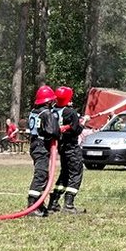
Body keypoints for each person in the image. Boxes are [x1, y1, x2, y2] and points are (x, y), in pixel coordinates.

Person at [47, 86, 85, 214]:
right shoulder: (71, 112)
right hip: (72, 148)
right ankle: (68, 204)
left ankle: (53, 202)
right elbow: (76, 130)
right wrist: (82, 123)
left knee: (65, 174)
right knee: (75, 174)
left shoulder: (51, 111)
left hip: (61, 148)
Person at [26, 86, 61, 217]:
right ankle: (32, 205)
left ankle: (39, 204)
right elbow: (53, 131)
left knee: (44, 175)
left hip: (35, 145)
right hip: (41, 146)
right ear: (47, 101)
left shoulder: (34, 111)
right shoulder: (46, 113)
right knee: (41, 174)